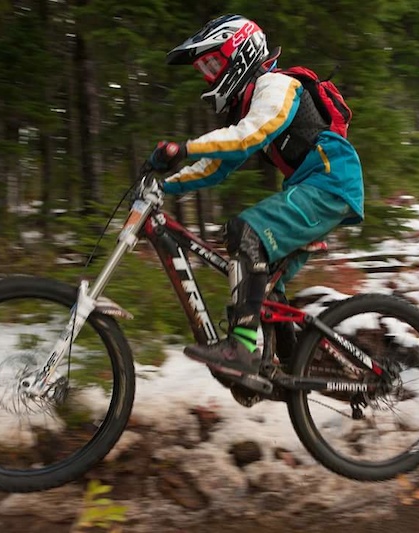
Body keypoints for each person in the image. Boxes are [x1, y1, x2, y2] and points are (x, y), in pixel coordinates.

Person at [147, 14, 364, 381]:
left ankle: (242, 346)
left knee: (246, 231)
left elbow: (250, 135)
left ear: (241, 54)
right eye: (205, 68)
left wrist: (183, 148)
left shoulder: (276, 85)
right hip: (314, 187)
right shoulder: (252, 101)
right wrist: (165, 186)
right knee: (268, 286)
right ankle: (293, 367)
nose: (209, 76)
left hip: (330, 183)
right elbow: (217, 166)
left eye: (213, 64)